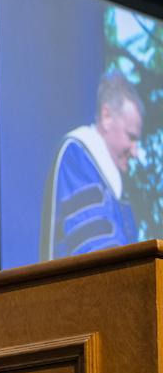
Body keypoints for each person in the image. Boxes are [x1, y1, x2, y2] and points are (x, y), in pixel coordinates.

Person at [43, 70, 145, 260]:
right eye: (131, 137)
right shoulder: (77, 155)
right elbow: (95, 252)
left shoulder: (116, 184)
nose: (135, 151)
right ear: (106, 116)